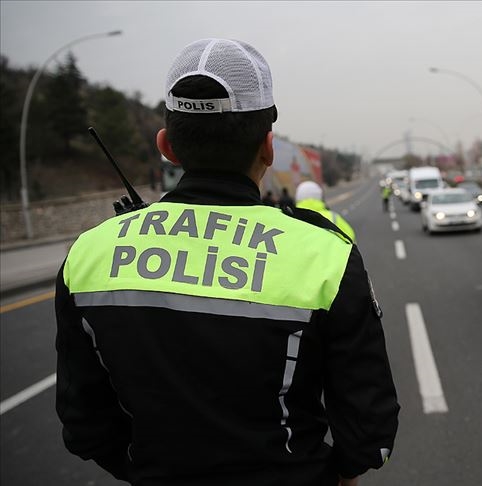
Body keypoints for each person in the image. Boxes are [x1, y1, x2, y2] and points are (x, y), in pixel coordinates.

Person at [55, 38, 398, 486]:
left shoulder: (88, 255)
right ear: (268, 147)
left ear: (167, 146)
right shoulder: (325, 255)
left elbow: (85, 426)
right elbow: (369, 433)